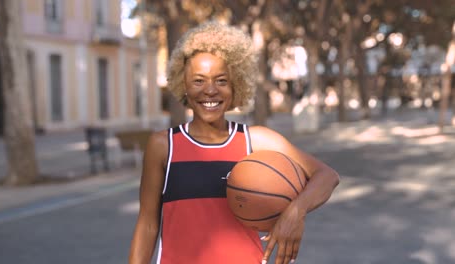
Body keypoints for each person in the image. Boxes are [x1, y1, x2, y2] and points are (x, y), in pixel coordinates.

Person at [128, 21, 339, 264]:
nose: (210, 90)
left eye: (221, 80)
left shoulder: (256, 140)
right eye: (198, 81)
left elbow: (326, 176)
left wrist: (295, 211)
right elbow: (147, 225)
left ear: (235, 85)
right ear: (183, 85)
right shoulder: (164, 146)